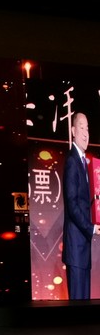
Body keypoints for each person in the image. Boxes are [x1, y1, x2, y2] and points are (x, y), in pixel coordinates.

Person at [62, 112, 100, 300]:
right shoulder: (72, 161)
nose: (85, 133)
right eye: (81, 128)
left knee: (84, 304)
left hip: (82, 248)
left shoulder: (83, 162)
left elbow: (84, 203)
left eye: (87, 129)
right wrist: (91, 227)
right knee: (78, 304)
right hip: (76, 248)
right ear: (73, 131)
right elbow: (72, 204)